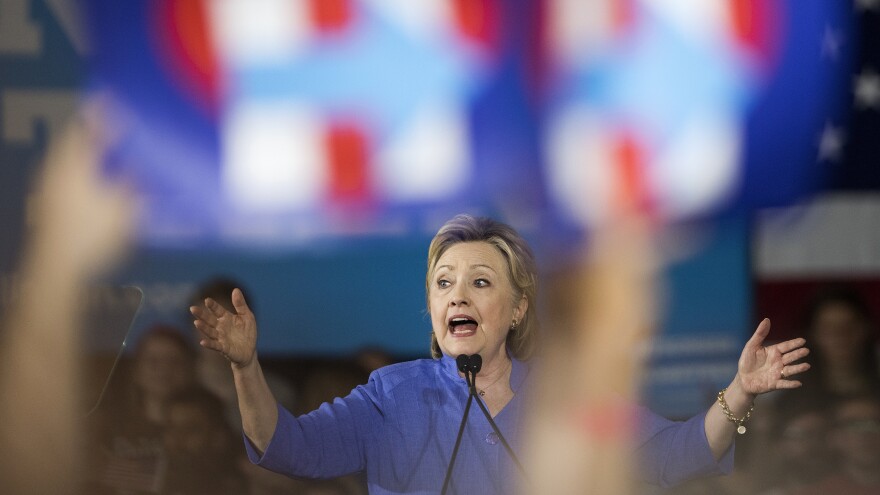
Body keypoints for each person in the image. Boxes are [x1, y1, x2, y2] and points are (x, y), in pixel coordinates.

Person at [190, 215, 810, 494]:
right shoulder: (391, 396)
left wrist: (740, 393)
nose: (458, 295)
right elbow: (287, 448)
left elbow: (672, 456)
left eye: (481, 282)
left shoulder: (567, 399)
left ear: (517, 309)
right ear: (432, 308)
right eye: (444, 283)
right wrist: (246, 367)